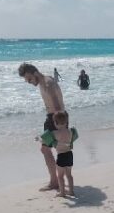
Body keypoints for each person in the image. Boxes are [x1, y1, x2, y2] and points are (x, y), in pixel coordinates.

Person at [18, 63, 66, 192]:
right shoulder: (45, 81)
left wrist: (59, 128)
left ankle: (55, 182)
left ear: (34, 73)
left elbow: (57, 106)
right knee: (48, 149)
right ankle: (56, 181)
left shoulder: (47, 84)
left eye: (28, 79)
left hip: (56, 118)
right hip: (54, 118)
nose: (28, 82)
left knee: (49, 150)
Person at [39, 111, 78, 198]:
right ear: (66, 122)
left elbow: (45, 139)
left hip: (61, 156)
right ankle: (71, 191)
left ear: (55, 123)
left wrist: (39, 139)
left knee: (60, 176)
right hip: (69, 155)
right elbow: (73, 140)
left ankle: (62, 193)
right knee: (69, 175)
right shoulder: (70, 132)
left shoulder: (54, 133)